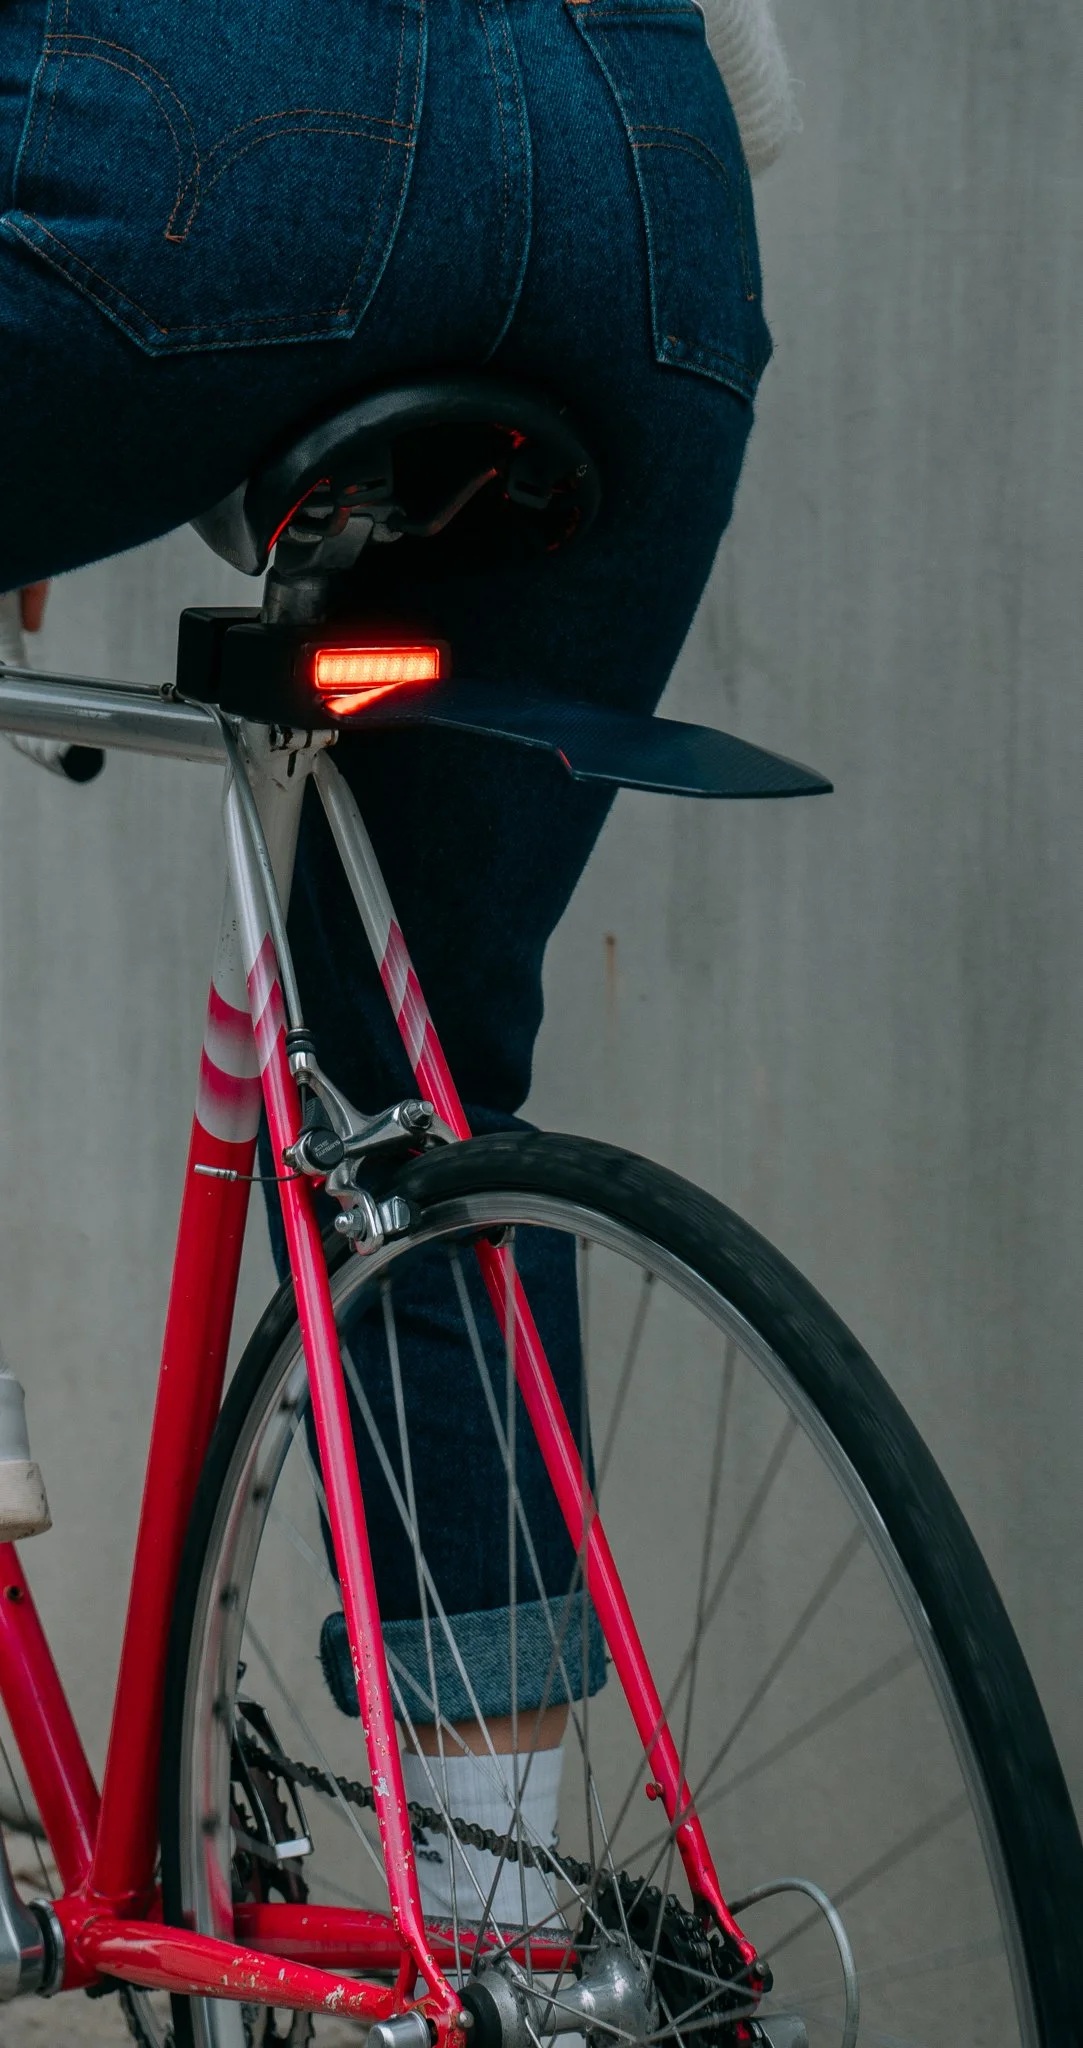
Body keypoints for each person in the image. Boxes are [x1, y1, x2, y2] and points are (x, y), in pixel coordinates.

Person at [0, 0, 794, 1922]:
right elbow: (761, 103)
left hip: (206, 132)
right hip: (648, 179)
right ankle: (515, 1958)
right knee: (411, 1092)